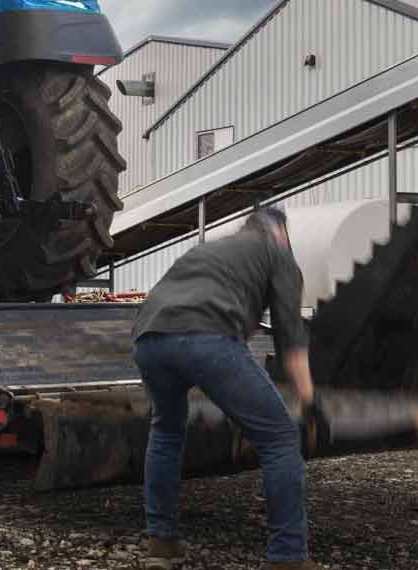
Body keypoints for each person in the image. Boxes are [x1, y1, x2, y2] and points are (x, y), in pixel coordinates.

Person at [132, 206, 317, 570]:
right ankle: (288, 557)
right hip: (207, 340)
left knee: (166, 431)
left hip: (149, 340)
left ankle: (161, 544)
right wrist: (309, 399)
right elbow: (290, 335)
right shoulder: (278, 253)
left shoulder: (204, 250)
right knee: (279, 438)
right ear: (281, 233)